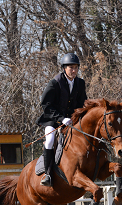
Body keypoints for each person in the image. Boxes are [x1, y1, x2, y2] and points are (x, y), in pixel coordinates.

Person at [36, 53, 87, 187]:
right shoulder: (55, 83)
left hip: (72, 120)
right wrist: (60, 118)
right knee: (51, 139)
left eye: (76, 67)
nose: (74, 70)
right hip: (52, 119)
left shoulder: (80, 83)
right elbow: (45, 105)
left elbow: (83, 103)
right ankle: (47, 174)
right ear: (64, 68)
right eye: (71, 67)